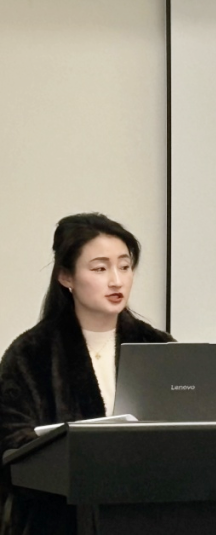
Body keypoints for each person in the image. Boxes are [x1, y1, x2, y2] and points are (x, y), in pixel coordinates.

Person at [0, 213, 172, 535]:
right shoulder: (30, 354)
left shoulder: (160, 347)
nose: (117, 281)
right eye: (100, 269)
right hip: (58, 518)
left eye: (124, 266)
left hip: (147, 516)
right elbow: (10, 443)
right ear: (66, 277)